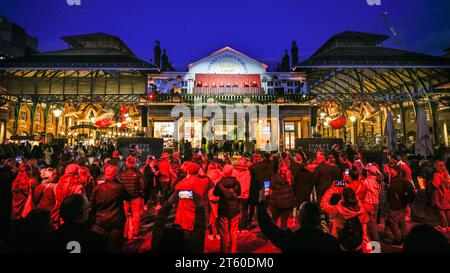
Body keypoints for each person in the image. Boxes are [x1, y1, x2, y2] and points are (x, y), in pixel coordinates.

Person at [257, 200, 340, 253]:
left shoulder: (290, 239)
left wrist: (261, 204)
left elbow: (267, 227)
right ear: (318, 220)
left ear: (300, 218)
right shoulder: (330, 242)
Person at [90, 164, 130, 252]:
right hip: (116, 220)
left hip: (101, 221)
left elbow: (92, 205)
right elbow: (128, 197)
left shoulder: (97, 188)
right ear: (116, 175)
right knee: (115, 247)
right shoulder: (120, 187)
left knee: (101, 246)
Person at [320, 187, 370, 251]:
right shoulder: (361, 208)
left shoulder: (338, 210)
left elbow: (323, 204)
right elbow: (354, 197)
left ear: (343, 198)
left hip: (342, 244)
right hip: (357, 244)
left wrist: (331, 190)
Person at [213, 164, 241, 253]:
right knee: (233, 232)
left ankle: (224, 251)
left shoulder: (220, 183)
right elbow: (239, 193)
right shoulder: (236, 182)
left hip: (223, 209)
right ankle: (233, 250)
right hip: (235, 209)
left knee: (224, 233)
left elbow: (215, 194)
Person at [118, 155, 145, 239]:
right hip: (136, 196)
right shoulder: (138, 174)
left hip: (125, 198)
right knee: (136, 214)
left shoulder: (121, 174)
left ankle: (125, 233)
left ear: (126, 163)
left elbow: (119, 186)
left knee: (124, 215)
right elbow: (143, 186)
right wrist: (141, 195)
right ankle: (136, 232)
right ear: (134, 163)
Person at [384, 163, 409, 245]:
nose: (389, 170)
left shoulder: (395, 181)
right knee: (402, 221)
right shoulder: (401, 179)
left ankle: (397, 240)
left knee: (393, 222)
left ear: (395, 171)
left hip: (396, 205)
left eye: (391, 169)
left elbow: (391, 193)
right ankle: (404, 238)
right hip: (402, 204)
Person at [248, 153, 274, 227]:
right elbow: (271, 176)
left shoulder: (252, 168)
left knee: (253, 204)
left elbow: (251, 180)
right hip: (266, 185)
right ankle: (264, 219)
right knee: (264, 203)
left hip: (255, 187)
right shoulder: (266, 166)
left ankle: (251, 220)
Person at [269, 162, 296, 230]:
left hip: (276, 202)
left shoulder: (275, 177)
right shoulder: (290, 177)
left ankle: (271, 234)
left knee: (274, 220)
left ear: (279, 168)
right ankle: (282, 236)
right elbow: (293, 187)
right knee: (284, 222)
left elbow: (271, 187)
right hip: (287, 203)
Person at [362, 164, 382, 242]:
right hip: (376, 203)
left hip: (369, 203)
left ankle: (375, 242)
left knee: (371, 224)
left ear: (370, 172)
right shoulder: (378, 180)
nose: (366, 172)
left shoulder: (367, 181)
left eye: (367, 171)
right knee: (373, 221)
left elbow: (362, 192)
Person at [232, 157, 251, 232]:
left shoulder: (233, 170)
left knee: (235, 211)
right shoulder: (247, 172)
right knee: (244, 210)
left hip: (234, 194)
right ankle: (242, 227)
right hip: (244, 194)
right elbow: (248, 184)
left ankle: (236, 227)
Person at [0, 159, 17, 240]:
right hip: (7, 197)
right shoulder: (11, 175)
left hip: (2, 197)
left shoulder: (2, 173)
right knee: (6, 217)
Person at [431, 161, 450, 232]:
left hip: (439, 194)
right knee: (448, 210)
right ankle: (449, 227)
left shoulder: (436, 174)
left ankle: (445, 227)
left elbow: (435, 184)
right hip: (447, 194)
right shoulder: (446, 174)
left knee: (441, 210)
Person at [206, 161, 222, 240]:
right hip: (219, 197)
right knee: (217, 215)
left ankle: (212, 233)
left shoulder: (207, 176)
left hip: (210, 197)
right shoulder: (220, 175)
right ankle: (218, 233)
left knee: (211, 215)